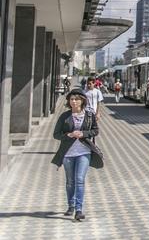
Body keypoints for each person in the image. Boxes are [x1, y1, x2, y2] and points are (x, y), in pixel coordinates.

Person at [51, 89, 99, 221]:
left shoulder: (89, 115)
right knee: (70, 182)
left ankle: (78, 209)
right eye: (71, 99)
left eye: (76, 99)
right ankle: (70, 205)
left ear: (82, 100)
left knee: (79, 180)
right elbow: (56, 134)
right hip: (68, 153)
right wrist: (69, 135)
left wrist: (83, 134)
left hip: (84, 152)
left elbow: (95, 130)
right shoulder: (64, 116)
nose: (73, 101)